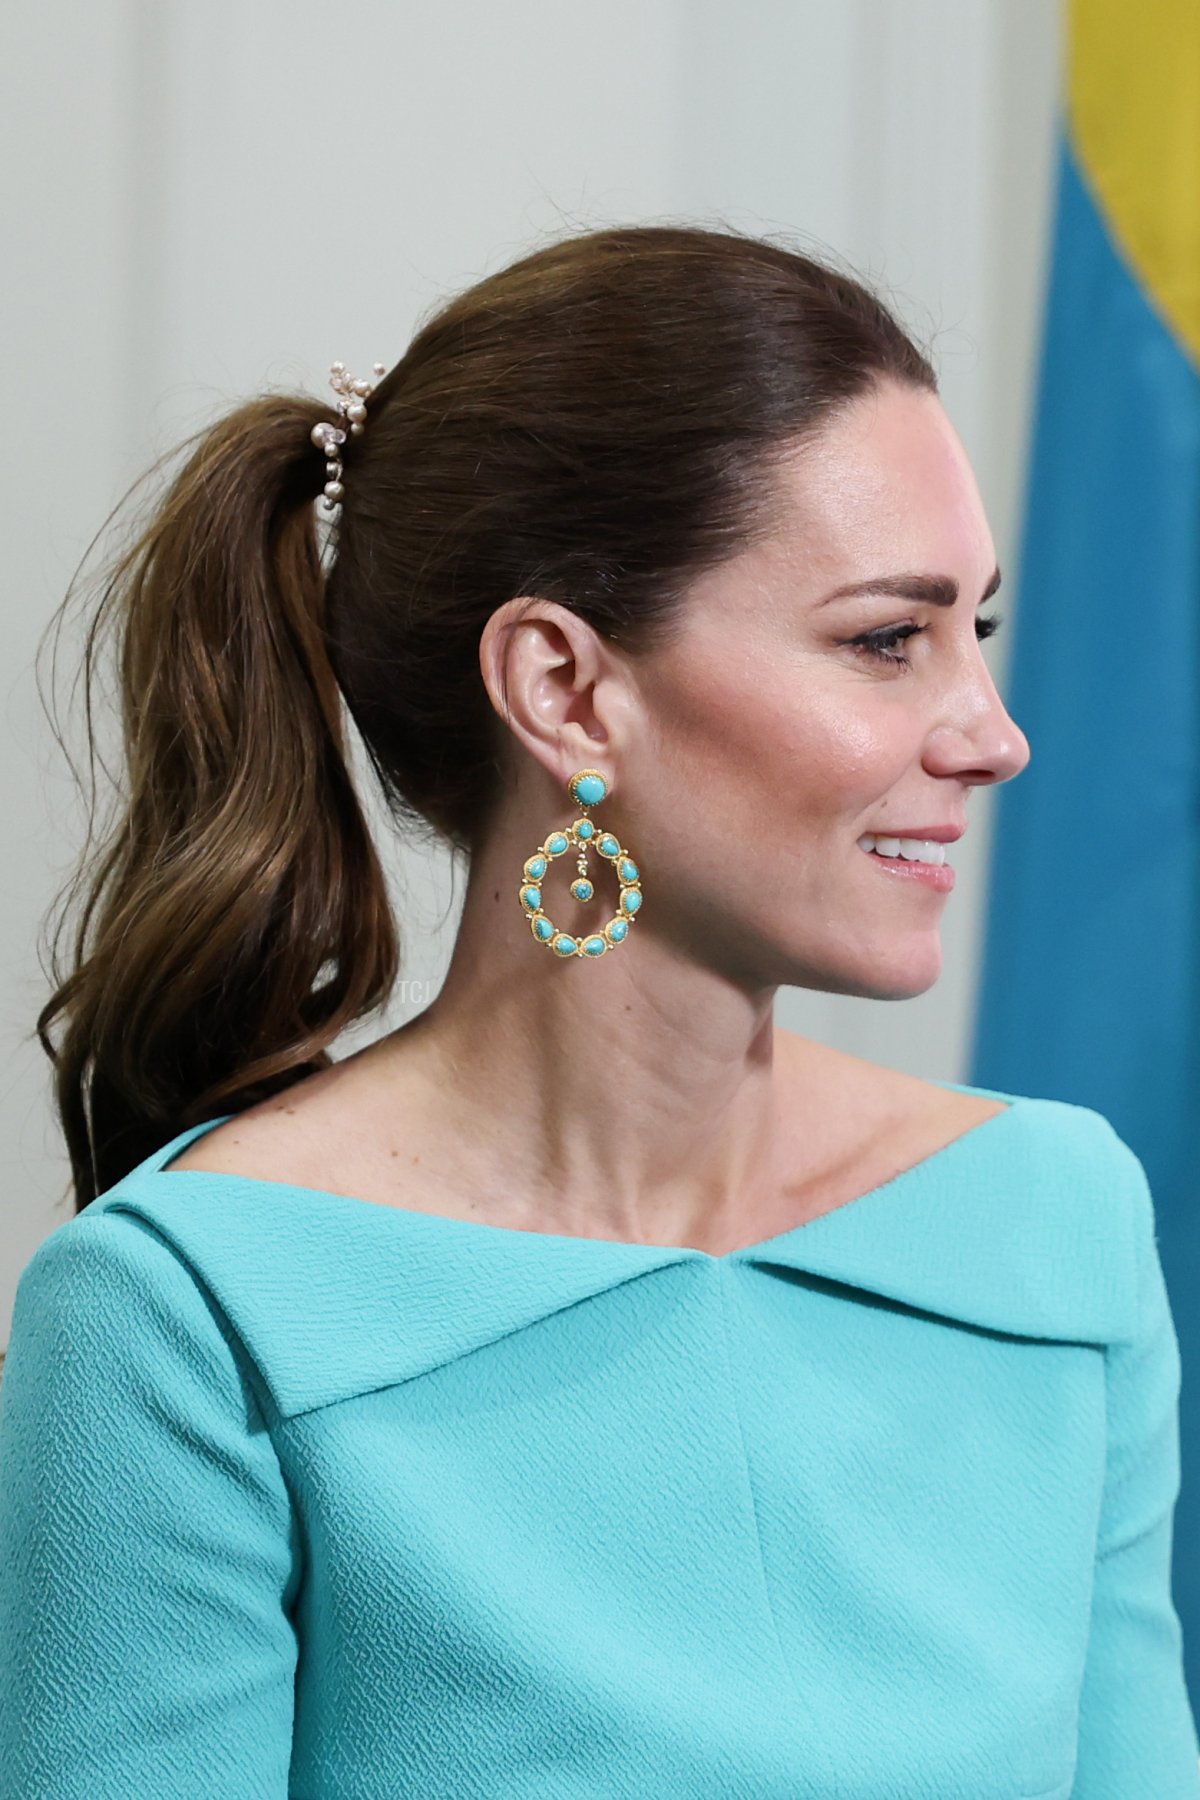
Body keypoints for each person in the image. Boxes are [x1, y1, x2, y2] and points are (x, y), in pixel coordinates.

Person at [0, 223, 1196, 1798]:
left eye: (976, 632)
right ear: (564, 690)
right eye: (886, 641)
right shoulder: (186, 1318)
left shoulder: (1057, 1226)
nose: (991, 734)